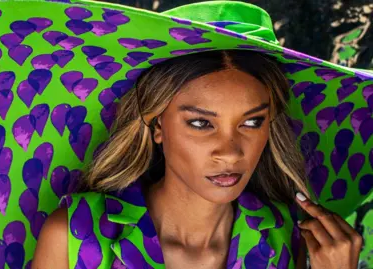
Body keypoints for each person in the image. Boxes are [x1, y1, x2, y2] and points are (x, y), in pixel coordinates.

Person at [32, 49, 363, 269]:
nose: (230, 152)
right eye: (202, 123)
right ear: (157, 124)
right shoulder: (76, 237)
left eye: (251, 122)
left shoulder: (289, 238)